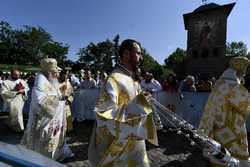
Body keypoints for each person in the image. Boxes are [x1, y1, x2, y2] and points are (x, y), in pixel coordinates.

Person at [88, 39, 158, 167]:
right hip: (119, 143)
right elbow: (104, 114)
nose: (141, 57)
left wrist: (143, 99)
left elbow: (135, 102)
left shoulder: (132, 77)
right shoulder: (114, 79)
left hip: (134, 137)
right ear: (126, 54)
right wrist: (139, 104)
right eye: (138, 53)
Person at [199, 56, 250, 167]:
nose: (243, 76)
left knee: (219, 152)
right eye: (242, 74)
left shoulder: (219, 84)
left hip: (217, 125)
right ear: (237, 72)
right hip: (232, 126)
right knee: (235, 154)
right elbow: (246, 106)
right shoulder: (234, 87)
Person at [21, 58, 73, 160]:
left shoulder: (51, 80)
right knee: (43, 140)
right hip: (43, 120)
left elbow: (57, 92)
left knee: (54, 137)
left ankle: (56, 154)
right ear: (48, 72)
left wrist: (63, 92)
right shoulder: (40, 83)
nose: (57, 75)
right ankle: (42, 157)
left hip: (55, 119)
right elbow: (41, 102)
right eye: (54, 72)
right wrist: (59, 99)